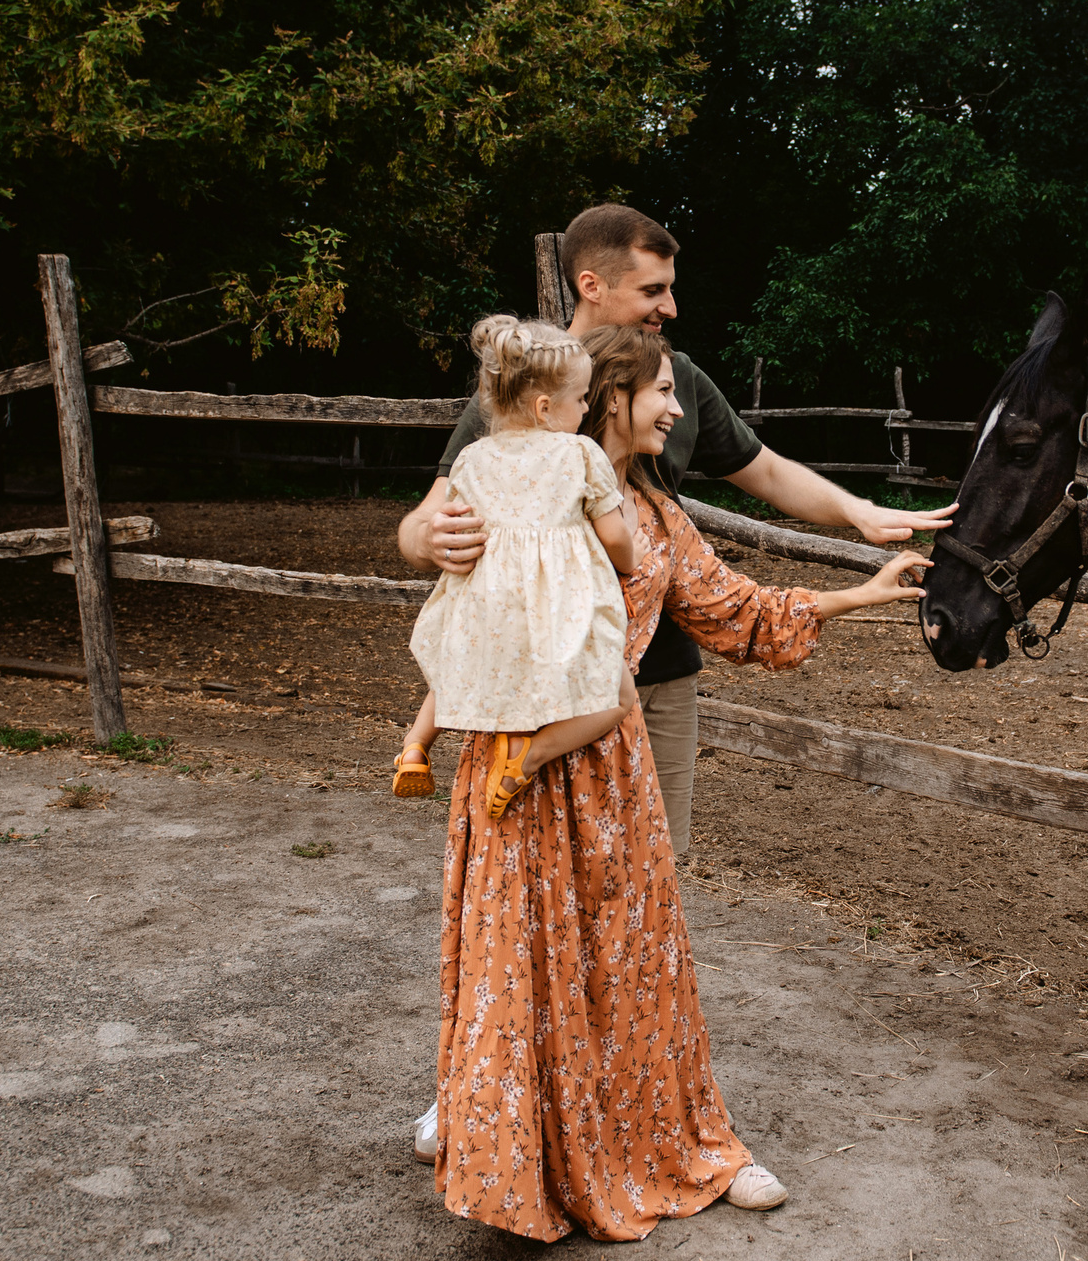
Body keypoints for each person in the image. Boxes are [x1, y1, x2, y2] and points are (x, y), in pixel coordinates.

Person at [425, 324, 930, 1240]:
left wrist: (860, 592)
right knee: (523, 957)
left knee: (630, 957)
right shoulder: (525, 481)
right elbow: (453, 588)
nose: (676, 407)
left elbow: (735, 607)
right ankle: (503, 1145)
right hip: (518, 762)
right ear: (606, 399)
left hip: (613, 772)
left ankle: (665, 1143)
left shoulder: (655, 515)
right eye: (662, 391)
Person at [398, 203, 954, 861]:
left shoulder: (677, 385)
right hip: (538, 691)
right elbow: (424, 520)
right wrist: (429, 540)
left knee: (647, 877)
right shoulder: (527, 391)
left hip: (656, 677)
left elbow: (767, 472)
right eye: (653, 289)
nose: (671, 307)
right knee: (541, 878)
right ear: (591, 284)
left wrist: (859, 512)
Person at [392, 316, 639, 817]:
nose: (589, 407)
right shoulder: (580, 454)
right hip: (554, 612)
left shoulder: (471, 459)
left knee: (462, 667)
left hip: (488, 606)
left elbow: (459, 523)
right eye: (582, 398)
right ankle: (527, 758)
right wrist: (628, 561)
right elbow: (614, 534)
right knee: (619, 695)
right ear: (546, 408)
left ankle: (415, 746)